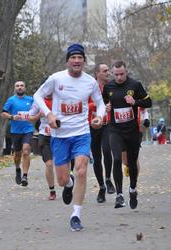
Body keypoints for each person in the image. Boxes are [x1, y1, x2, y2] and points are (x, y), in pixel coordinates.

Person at [34, 43, 105, 231]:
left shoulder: (90, 82)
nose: (76, 61)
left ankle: (76, 215)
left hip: (82, 134)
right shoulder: (56, 79)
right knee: (63, 180)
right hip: (60, 136)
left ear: (83, 61)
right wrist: (49, 114)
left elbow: (101, 104)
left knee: (82, 170)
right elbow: (38, 96)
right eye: (73, 58)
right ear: (67, 61)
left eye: (80, 58)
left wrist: (99, 116)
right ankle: (69, 184)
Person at [102, 60, 152, 209]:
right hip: (115, 130)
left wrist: (135, 102)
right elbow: (102, 102)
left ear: (126, 72)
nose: (118, 77)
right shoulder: (108, 87)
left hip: (132, 131)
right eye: (116, 74)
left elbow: (148, 102)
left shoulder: (135, 85)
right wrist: (106, 106)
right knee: (116, 158)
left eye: (121, 74)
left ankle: (133, 189)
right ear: (113, 73)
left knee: (131, 162)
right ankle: (119, 195)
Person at [88, 63, 115, 203]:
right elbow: (83, 104)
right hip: (92, 126)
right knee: (97, 158)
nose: (108, 73)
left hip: (106, 124)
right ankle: (102, 187)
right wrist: (99, 105)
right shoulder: (89, 87)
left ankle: (108, 179)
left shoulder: (111, 86)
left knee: (107, 150)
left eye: (108, 70)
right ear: (97, 73)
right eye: (105, 71)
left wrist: (112, 105)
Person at [1, 81, 34, 186]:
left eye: (22, 86)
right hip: (15, 131)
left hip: (28, 129)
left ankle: (25, 176)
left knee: (25, 151)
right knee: (17, 155)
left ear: (25, 88)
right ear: (15, 88)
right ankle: (17, 169)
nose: (20, 87)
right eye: (17, 86)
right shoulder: (11, 100)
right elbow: (3, 113)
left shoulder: (31, 100)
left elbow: (37, 111)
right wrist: (12, 117)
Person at [29, 95, 57, 200]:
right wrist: (38, 116)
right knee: (49, 164)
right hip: (44, 136)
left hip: (60, 136)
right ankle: (52, 190)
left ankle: (69, 180)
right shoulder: (38, 102)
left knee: (63, 164)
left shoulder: (60, 97)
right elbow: (30, 117)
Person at [123, 107, 150, 177]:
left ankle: (133, 185)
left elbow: (144, 110)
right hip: (122, 130)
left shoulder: (137, 97)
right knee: (125, 161)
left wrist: (146, 119)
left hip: (136, 130)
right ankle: (128, 166)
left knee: (134, 158)